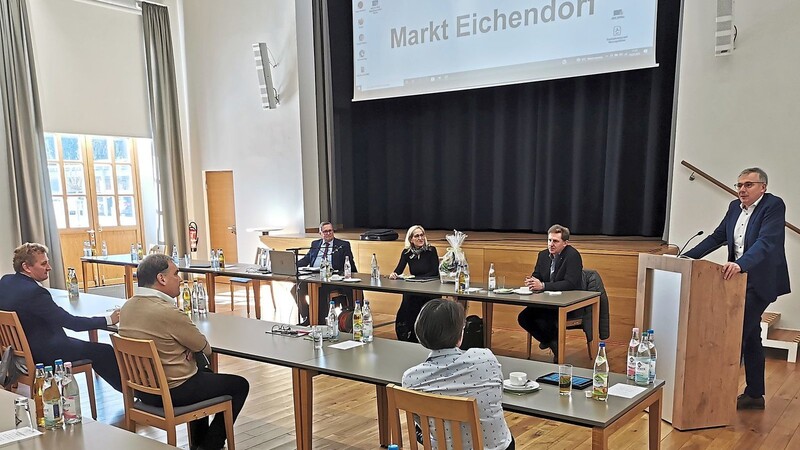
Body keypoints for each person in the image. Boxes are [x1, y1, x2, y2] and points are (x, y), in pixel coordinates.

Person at [684, 167, 790, 410]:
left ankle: (715, 395)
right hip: (738, 280)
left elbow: (766, 242)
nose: (742, 189)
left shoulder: (773, 206)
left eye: (749, 185)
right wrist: (686, 258)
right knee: (750, 335)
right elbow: (716, 237)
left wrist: (740, 264)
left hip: (760, 280)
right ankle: (754, 394)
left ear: (762, 187)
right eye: (739, 185)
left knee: (733, 334)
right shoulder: (734, 207)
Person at [119, 254, 249, 450]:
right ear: (161, 279)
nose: (180, 279)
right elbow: (205, 348)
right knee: (239, 385)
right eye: (176, 274)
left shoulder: (127, 307)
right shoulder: (167, 312)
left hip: (143, 390)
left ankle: (199, 443)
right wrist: (188, 348)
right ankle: (209, 446)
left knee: (204, 374)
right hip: (174, 391)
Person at [0, 243, 122, 391]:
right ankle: (134, 394)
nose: (49, 267)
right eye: (44, 263)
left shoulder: (5, 281)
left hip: (18, 351)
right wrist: (108, 320)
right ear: (26, 267)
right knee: (104, 351)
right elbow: (72, 324)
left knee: (94, 348)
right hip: (44, 353)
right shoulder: (35, 293)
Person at [402, 299, 514, 450]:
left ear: (420, 334)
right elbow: (498, 395)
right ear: (460, 334)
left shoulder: (411, 379)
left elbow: (422, 424)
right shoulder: (486, 359)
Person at [517, 224, 583, 361]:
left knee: (544, 319)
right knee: (523, 317)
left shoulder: (572, 256)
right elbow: (537, 275)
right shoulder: (542, 255)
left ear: (565, 243)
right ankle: (552, 342)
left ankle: (553, 345)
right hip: (546, 301)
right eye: (549, 240)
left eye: (555, 241)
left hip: (568, 303)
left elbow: (570, 283)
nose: (551, 244)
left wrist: (543, 286)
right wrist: (532, 282)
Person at [295, 222, 358, 324]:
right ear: (320, 233)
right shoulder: (315, 244)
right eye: (325, 231)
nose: (328, 233)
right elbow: (306, 259)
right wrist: (293, 265)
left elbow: (349, 264)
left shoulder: (343, 245)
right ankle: (308, 316)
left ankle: (320, 320)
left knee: (321, 289)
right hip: (314, 276)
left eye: (330, 231)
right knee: (297, 287)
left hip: (332, 279)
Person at [389, 225, 440, 342]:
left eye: (422, 235)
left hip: (430, 287)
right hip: (415, 287)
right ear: (411, 239)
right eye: (417, 236)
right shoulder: (407, 253)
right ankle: (408, 333)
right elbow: (399, 269)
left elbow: (434, 272)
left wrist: (416, 279)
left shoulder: (431, 250)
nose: (420, 238)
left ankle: (425, 333)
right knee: (407, 298)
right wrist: (394, 274)